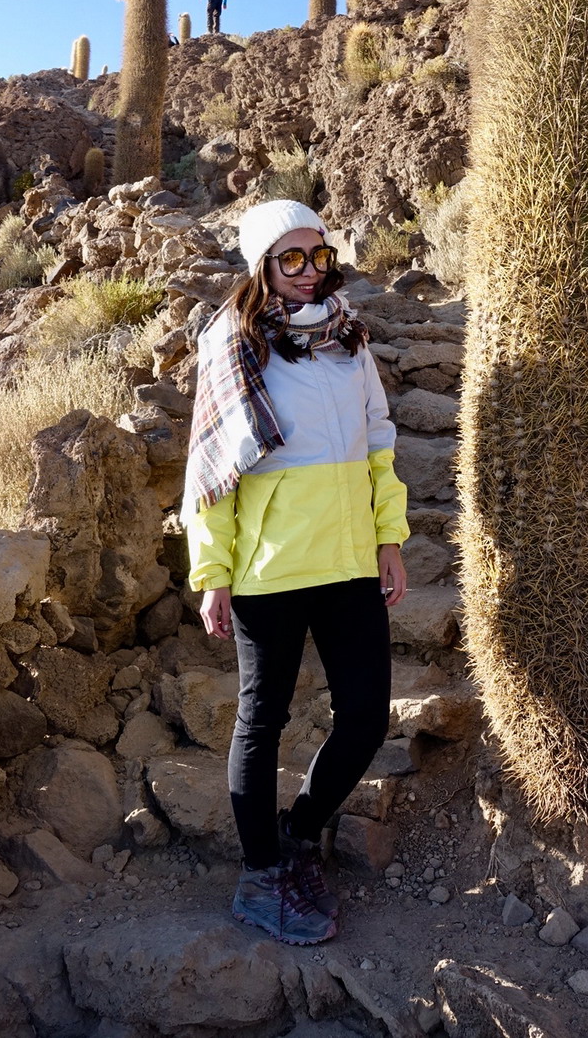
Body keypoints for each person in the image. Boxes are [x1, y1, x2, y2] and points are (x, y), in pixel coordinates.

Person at [182, 198, 409, 946]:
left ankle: (300, 832)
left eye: (318, 255)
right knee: (263, 721)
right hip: (269, 571)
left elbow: (378, 440)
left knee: (366, 716)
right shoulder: (233, 345)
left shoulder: (349, 339)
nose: (309, 272)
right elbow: (213, 474)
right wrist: (213, 574)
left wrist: (389, 537)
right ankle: (260, 878)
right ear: (262, 266)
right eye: (292, 259)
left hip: (348, 560)